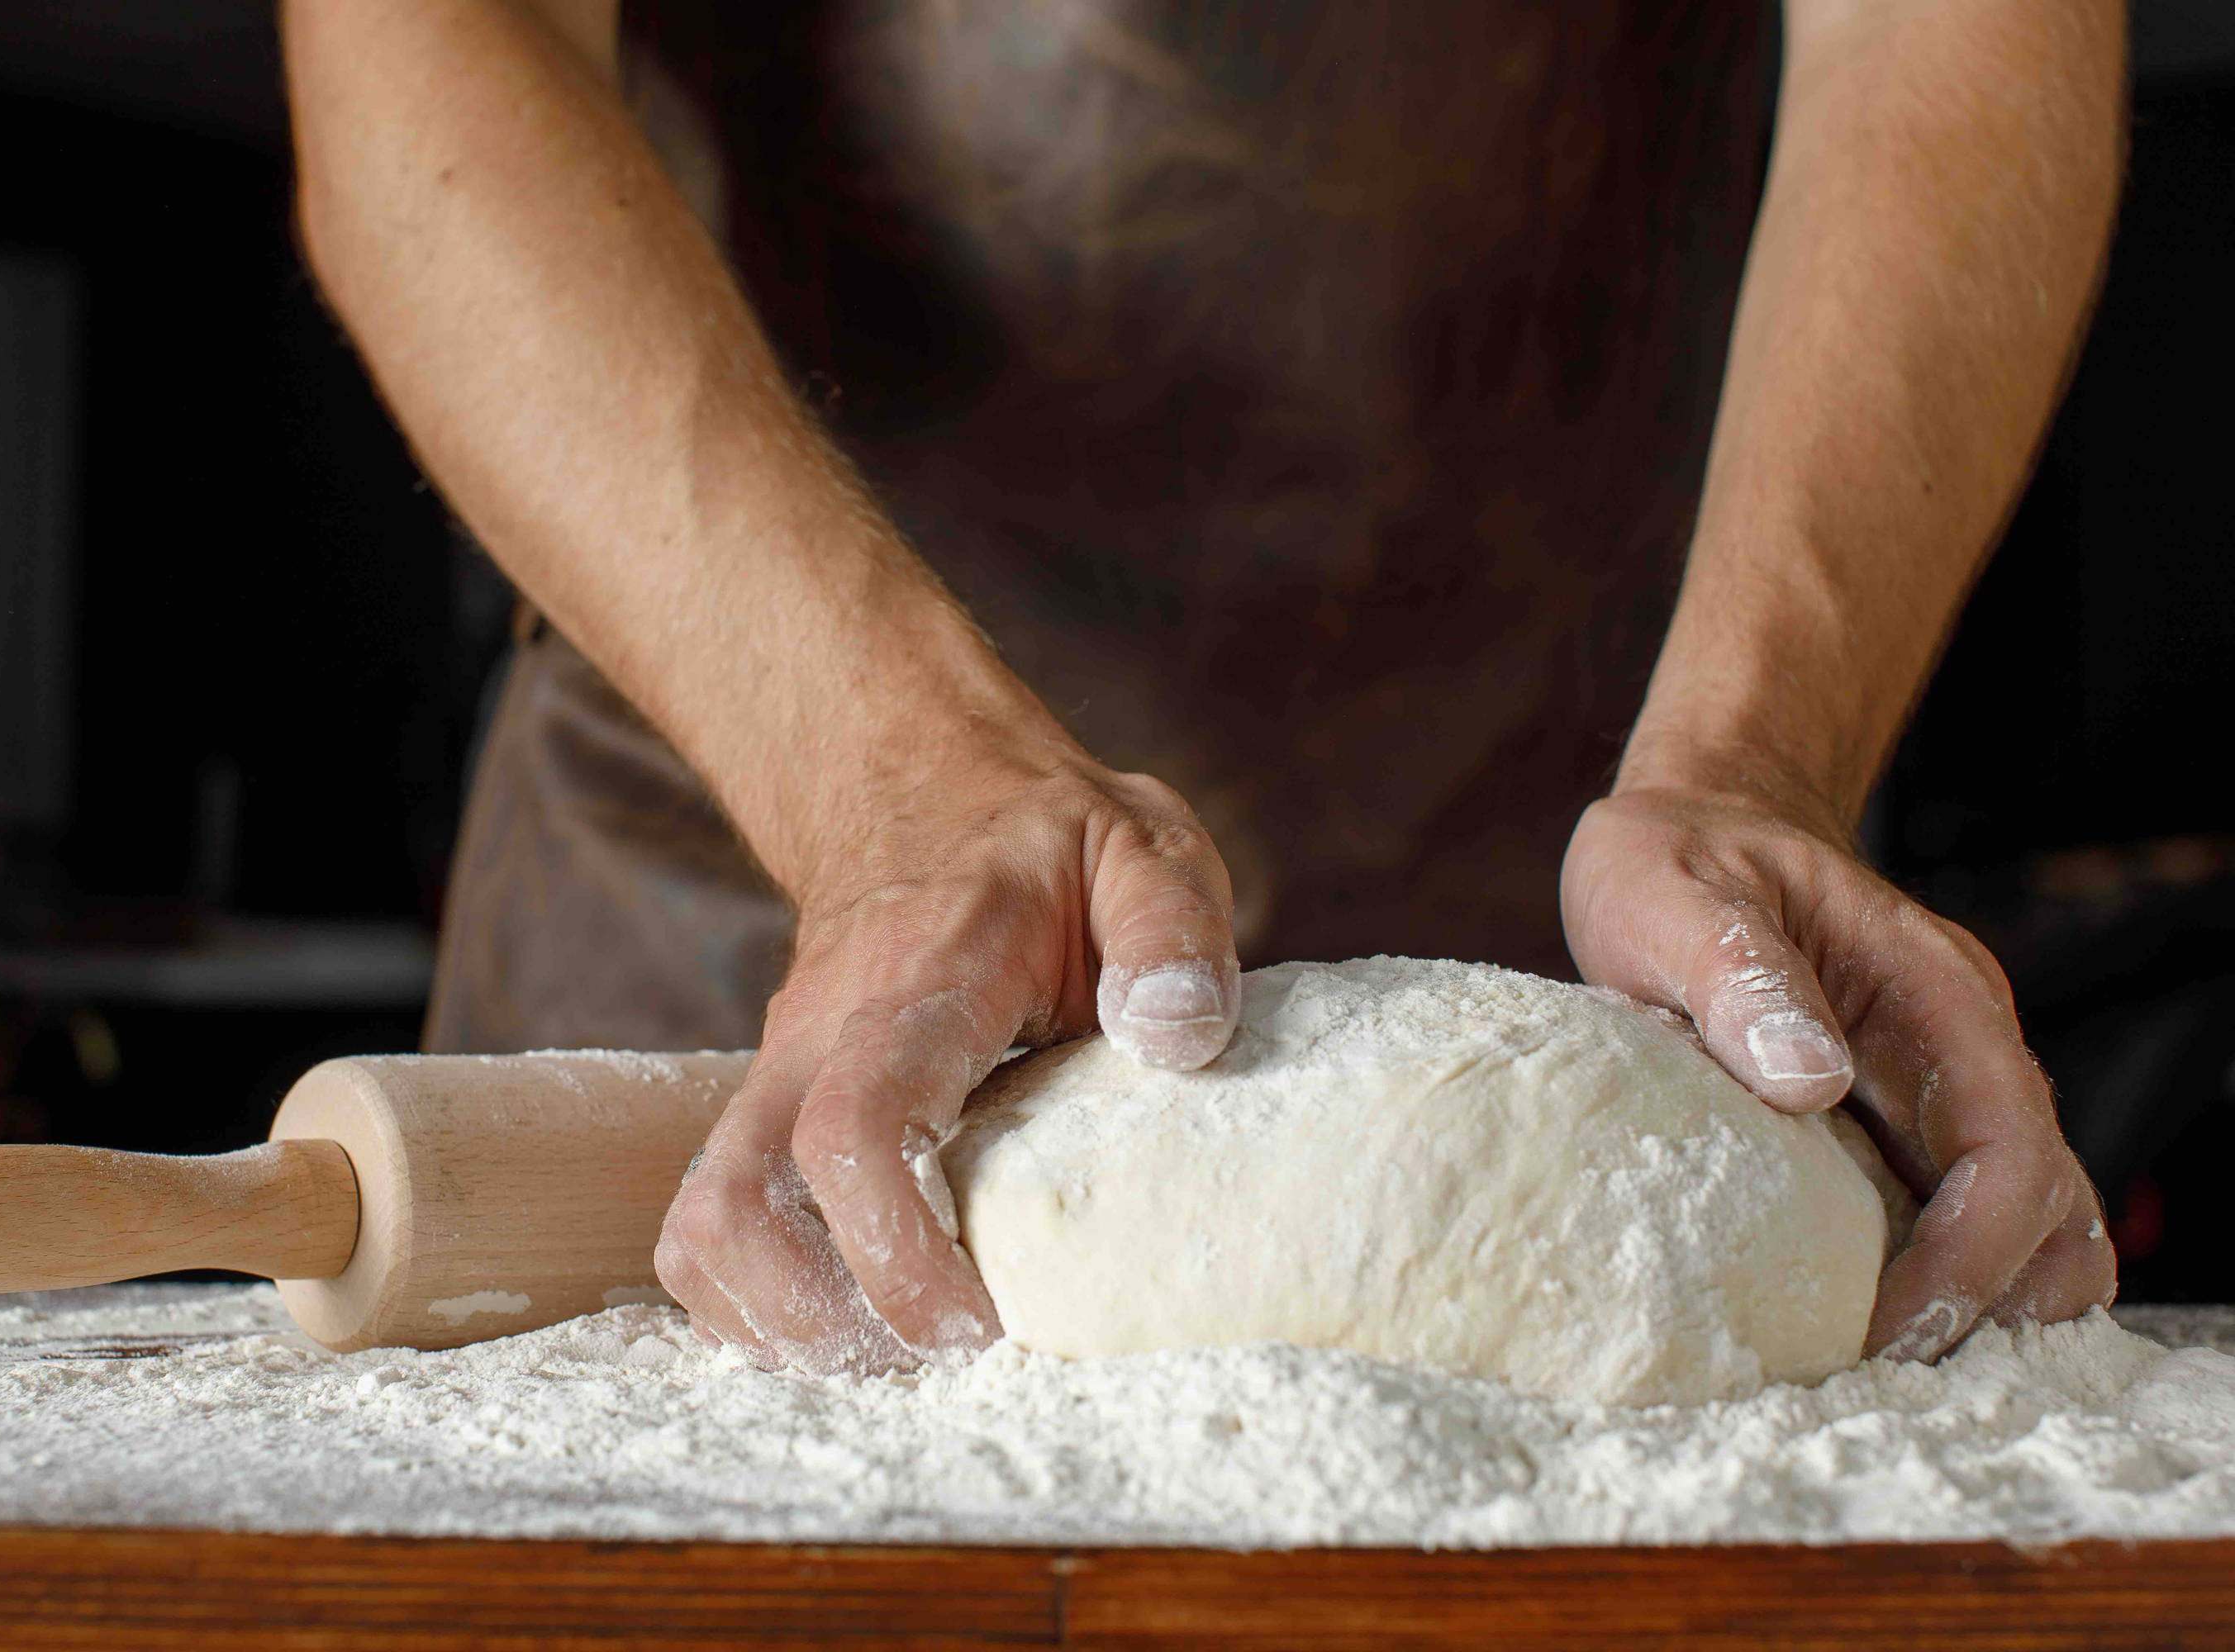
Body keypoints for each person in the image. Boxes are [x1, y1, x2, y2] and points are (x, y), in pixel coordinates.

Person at [283, 0, 2123, 1374]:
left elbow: (1943, 34)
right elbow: (431, 43)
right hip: (765, 905)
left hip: (1605, 925)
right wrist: (887, 779)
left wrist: (1759, 753)